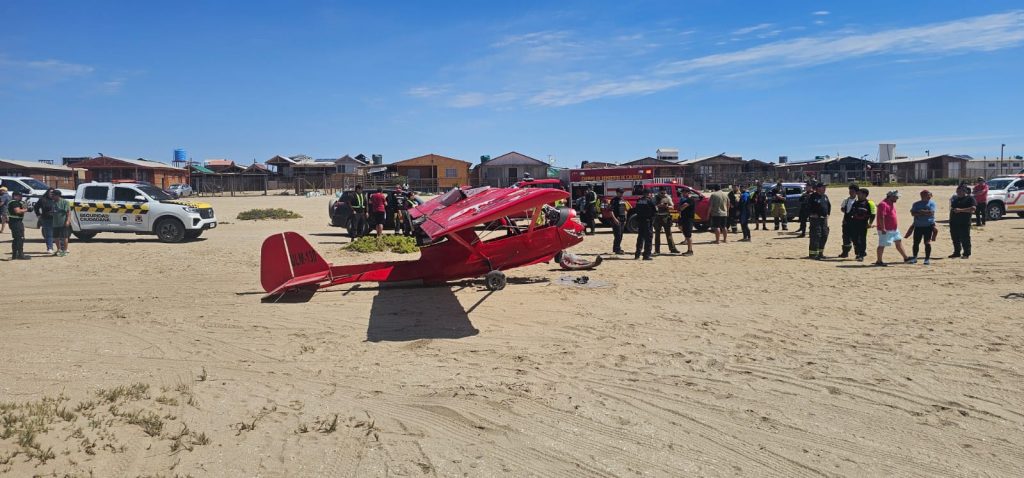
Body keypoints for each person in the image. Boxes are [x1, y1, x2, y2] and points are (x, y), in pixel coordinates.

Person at [875, 190, 909, 266]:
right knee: (882, 244)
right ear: (891, 196)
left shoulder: (891, 203)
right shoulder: (883, 204)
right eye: (896, 197)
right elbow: (881, 217)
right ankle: (879, 261)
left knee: (898, 242)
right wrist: (883, 228)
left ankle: (906, 258)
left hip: (894, 228)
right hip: (886, 229)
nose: (897, 198)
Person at [908, 189, 937, 265]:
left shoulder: (932, 203)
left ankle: (927, 259)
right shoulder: (916, 204)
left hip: (928, 226)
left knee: (927, 243)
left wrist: (920, 212)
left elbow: (931, 213)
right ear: (922, 195)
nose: (929, 196)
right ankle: (914, 258)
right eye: (928, 195)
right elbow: (913, 213)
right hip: (918, 226)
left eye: (930, 195)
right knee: (916, 243)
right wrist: (924, 212)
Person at [949, 185, 977, 259]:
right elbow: (953, 209)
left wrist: (960, 210)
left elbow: (973, 209)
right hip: (954, 222)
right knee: (955, 238)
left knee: (965, 238)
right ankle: (956, 252)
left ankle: (966, 253)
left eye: (959, 191)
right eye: (957, 191)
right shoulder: (956, 199)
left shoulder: (970, 198)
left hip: (964, 222)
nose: (958, 193)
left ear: (965, 191)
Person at [848, 188, 875, 262]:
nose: (857, 195)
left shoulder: (869, 203)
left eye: (859, 193)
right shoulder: (855, 203)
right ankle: (858, 253)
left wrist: (870, 223)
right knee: (854, 239)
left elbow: (873, 214)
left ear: (864, 194)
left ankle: (861, 254)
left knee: (862, 239)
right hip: (854, 223)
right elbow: (851, 213)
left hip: (863, 224)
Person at [806, 183, 831, 259]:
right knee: (816, 235)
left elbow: (828, 206)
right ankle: (813, 254)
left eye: (825, 187)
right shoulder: (812, 197)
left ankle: (820, 253)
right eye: (823, 187)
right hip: (815, 220)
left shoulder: (825, 196)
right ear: (818, 188)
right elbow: (807, 207)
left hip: (824, 219)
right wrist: (811, 214)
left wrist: (828, 214)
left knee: (824, 235)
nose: (824, 189)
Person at [653, 188, 679, 254]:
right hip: (657, 217)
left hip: (666, 217)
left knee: (669, 234)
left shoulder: (668, 197)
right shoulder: (655, 198)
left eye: (664, 193)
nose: (663, 194)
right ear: (659, 192)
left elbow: (672, 206)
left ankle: (673, 249)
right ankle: (657, 250)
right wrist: (659, 205)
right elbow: (653, 206)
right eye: (662, 193)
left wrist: (667, 206)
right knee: (657, 234)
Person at [633, 188, 656, 260]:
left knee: (640, 237)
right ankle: (646, 255)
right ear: (648, 193)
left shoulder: (639, 200)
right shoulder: (650, 201)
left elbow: (636, 210)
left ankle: (637, 254)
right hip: (647, 221)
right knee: (648, 238)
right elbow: (655, 210)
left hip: (640, 221)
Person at [7, 190, 30, 260]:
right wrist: (27, 209)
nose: (21, 197)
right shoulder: (14, 202)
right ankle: (19, 254)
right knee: (19, 238)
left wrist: (25, 204)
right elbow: (17, 211)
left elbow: (22, 209)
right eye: (20, 196)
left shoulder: (17, 202)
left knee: (18, 238)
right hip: (15, 222)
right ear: (15, 196)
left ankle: (15, 254)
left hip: (17, 222)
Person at [838, 184, 859, 258]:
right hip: (846, 222)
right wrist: (844, 211)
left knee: (856, 239)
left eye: (852, 191)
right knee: (845, 238)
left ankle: (858, 254)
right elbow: (842, 208)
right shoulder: (846, 200)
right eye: (850, 191)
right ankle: (845, 252)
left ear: (856, 192)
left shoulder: (858, 201)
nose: (851, 192)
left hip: (855, 223)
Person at [50, 189, 72, 256]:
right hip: (55, 222)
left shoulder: (65, 202)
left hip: (63, 222)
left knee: (64, 237)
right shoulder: (53, 202)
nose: (52, 196)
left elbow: (68, 213)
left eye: (53, 195)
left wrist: (68, 221)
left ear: (57, 195)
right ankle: (59, 250)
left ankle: (65, 251)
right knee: (56, 237)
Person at [608, 188, 630, 254]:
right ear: (617, 192)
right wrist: (614, 219)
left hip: (622, 219)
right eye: (620, 193)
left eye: (622, 193)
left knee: (620, 235)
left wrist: (626, 218)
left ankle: (616, 248)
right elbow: (610, 211)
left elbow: (625, 209)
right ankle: (617, 249)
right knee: (618, 235)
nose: (621, 194)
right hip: (617, 219)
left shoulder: (623, 200)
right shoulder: (614, 200)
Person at [34, 188, 55, 254]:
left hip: (57, 219)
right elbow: (36, 207)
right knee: (49, 234)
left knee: (59, 234)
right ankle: (50, 248)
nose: (52, 193)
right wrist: (38, 215)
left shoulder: (56, 199)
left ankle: (62, 248)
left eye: (53, 192)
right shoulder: (43, 199)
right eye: (50, 192)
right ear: (47, 192)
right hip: (46, 218)